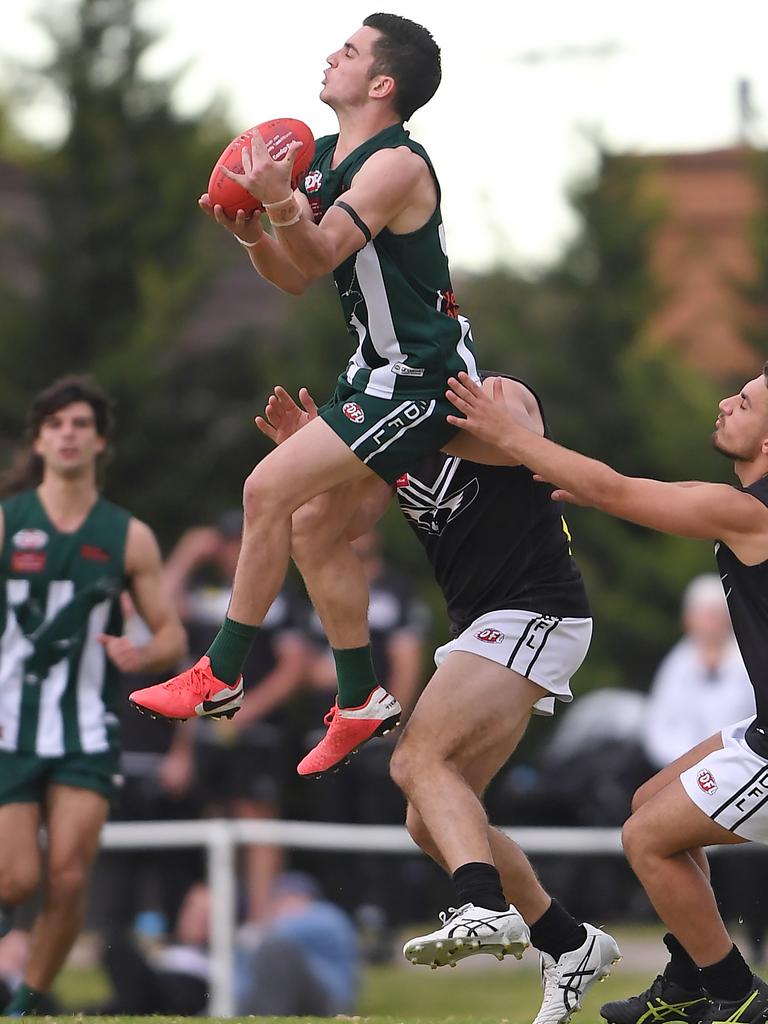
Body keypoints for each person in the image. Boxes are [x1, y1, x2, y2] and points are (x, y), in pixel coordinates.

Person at [130, 13, 487, 780]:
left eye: (351, 52)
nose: (332, 56)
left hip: (422, 375)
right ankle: (360, 698)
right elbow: (296, 274)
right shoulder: (324, 160)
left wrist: (281, 207)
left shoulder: (398, 164)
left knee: (267, 489)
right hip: (373, 372)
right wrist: (251, 230)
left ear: (382, 84)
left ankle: (221, 672)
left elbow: (324, 248)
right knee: (316, 529)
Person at [257, 378, 621, 1024]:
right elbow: (339, 526)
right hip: (485, 626)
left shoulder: (496, 395)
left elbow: (530, 447)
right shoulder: (397, 433)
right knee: (428, 819)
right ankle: (568, 941)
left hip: (536, 609)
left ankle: (482, 905)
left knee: (412, 762)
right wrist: (312, 463)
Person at [444, 365, 768, 1024]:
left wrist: (508, 434)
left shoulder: (749, 511)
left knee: (646, 838)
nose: (725, 402)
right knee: (652, 801)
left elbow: (616, 489)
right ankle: (691, 976)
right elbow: (635, 490)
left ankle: (736, 994)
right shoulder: (742, 504)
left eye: (747, 401)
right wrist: (589, 484)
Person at [0, 376, 187, 1017]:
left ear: (99, 439)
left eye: (80, 423)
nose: (69, 434)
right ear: (40, 440)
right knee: (16, 878)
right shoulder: (7, 521)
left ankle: (25, 1006)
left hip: (85, 726)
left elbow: (170, 635)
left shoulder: (127, 535)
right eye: (55, 424)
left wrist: (143, 653)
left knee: (70, 875)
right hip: (9, 726)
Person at [162, 511, 310, 920]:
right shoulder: (204, 592)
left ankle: (261, 920)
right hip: (207, 731)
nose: (234, 551)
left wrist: (246, 711)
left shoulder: (278, 595)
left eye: (241, 541)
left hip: (258, 729)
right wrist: (187, 554)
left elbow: (294, 666)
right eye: (227, 543)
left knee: (257, 820)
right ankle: (220, 919)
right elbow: (157, 609)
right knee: (215, 817)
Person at [642, 573, 755, 772]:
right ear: (688, 619)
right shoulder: (676, 666)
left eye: (715, 614)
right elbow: (658, 728)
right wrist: (688, 764)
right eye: (705, 614)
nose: (710, 623)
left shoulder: (748, 662)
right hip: (682, 772)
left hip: (738, 770)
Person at [236, 871, 361, 1016]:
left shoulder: (327, 915)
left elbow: (271, 935)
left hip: (330, 1002)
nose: (281, 906)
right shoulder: (269, 933)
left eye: (289, 898)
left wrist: (255, 931)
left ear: (307, 898)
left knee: (277, 949)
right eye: (277, 900)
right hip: (278, 998)